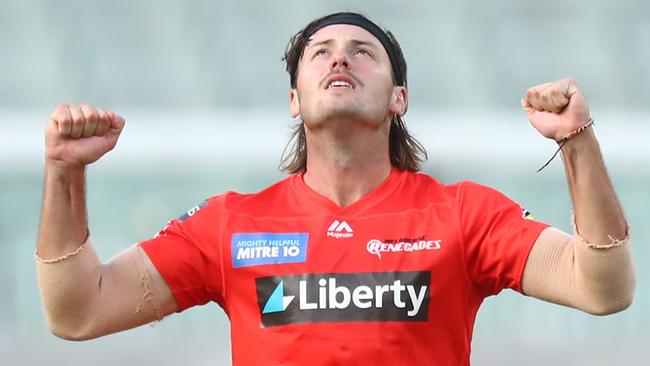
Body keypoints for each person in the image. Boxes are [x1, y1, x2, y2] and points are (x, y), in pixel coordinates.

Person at [36, 12, 635, 366]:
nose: (339, 60)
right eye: (319, 53)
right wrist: (65, 173)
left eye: (362, 53)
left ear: (399, 98)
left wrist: (577, 143)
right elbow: (78, 311)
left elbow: (602, 288)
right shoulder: (232, 224)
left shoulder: (462, 214)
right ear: (295, 99)